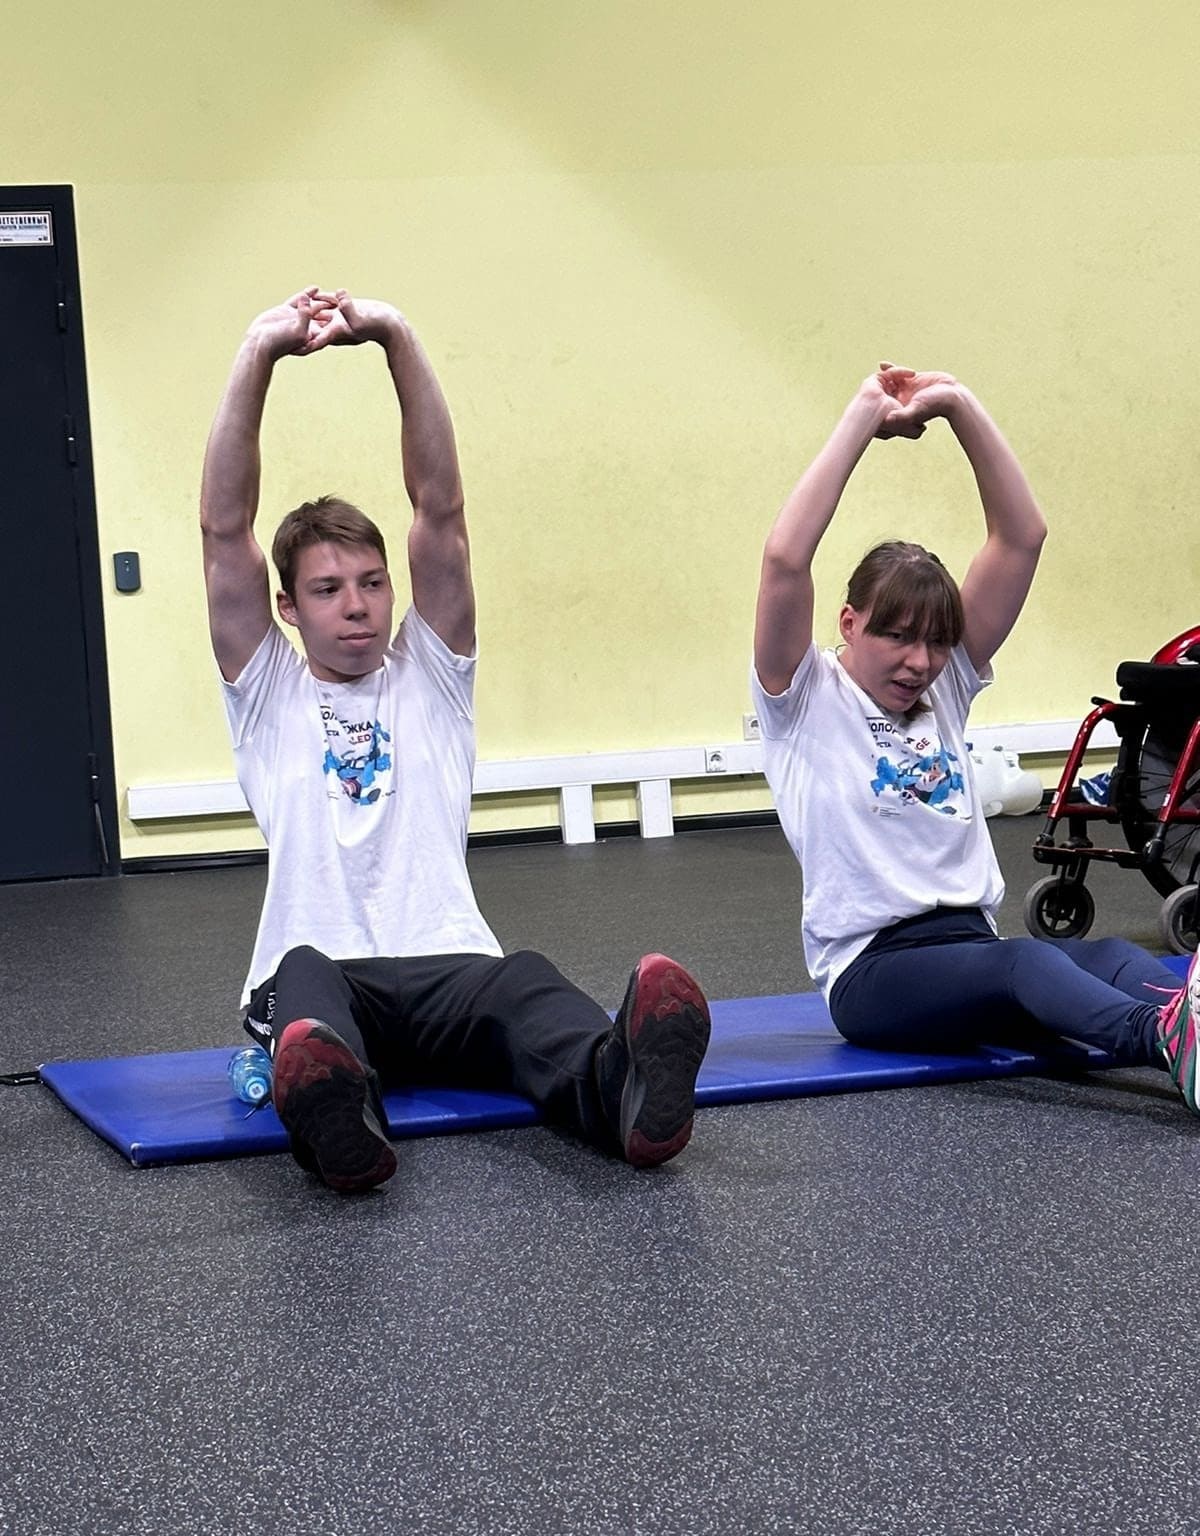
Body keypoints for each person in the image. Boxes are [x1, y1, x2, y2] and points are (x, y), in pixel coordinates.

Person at [200, 286, 710, 1193]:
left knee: (521, 978)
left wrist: (397, 337)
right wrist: (259, 350)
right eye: (327, 590)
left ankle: (625, 1093)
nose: (357, 605)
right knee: (303, 975)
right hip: (327, 982)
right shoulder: (269, 691)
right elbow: (222, 530)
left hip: (449, 968)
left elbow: (440, 511)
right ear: (287, 607)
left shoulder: (428, 677)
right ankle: (339, 1119)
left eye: (372, 582)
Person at [751, 362, 1200, 1110]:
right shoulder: (804, 698)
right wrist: (863, 416)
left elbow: (1022, 536)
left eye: (936, 643)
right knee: (1028, 966)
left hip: (970, 950)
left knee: (1113, 955)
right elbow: (784, 559)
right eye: (896, 637)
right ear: (850, 623)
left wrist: (957, 403)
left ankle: (1191, 1019)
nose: (919, 662)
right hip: (875, 974)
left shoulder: (944, 688)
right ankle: (1167, 1042)